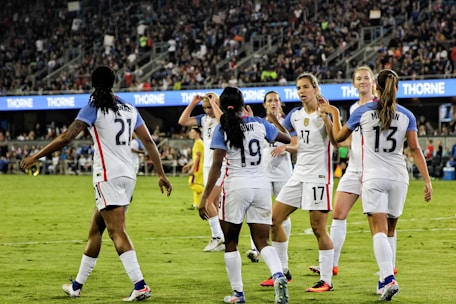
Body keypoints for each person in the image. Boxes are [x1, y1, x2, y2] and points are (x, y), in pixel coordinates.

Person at [20, 65, 173, 302]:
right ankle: (77, 286)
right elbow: (150, 142)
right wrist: (161, 173)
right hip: (128, 177)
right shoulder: (130, 108)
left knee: (116, 232)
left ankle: (140, 284)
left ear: (92, 83)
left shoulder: (94, 106)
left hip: (107, 177)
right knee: (96, 228)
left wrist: (35, 156)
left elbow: (66, 137)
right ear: (114, 82)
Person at [331, 69, 432, 301]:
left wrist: (334, 116)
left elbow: (338, 139)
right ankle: (382, 281)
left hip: (373, 177)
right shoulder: (407, 115)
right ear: (397, 89)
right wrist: (427, 180)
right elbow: (415, 149)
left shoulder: (363, 111)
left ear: (375, 87)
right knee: (391, 230)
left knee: (378, 230)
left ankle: (388, 278)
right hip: (399, 177)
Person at [199, 86, 291, 304]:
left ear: (222, 106)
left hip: (235, 187)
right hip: (261, 186)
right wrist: (272, 120)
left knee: (231, 242)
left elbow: (216, 165)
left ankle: (238, 294)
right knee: (262, 240)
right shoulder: (259, 123)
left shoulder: (222, 128)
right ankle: (278, 275)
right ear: (243, 105)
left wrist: (205, 198)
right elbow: (286, 139)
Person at [263, 72, 337, 293]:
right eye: (298, 88)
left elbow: (335, 141)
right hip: (298, 175)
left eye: (305, 87)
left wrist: (327, 117)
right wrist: (273, 118)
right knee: (274, 220)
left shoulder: (325, 113)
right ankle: (282, 271)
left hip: (319, 176)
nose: (301, 91)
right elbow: (284, 134)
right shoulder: (295, 115)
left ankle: (326, 280)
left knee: (318, 228)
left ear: (315, 88)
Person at [309, 66, 381, 277]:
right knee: (338, 214)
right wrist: (331, 118)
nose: (362, 81)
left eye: (366, 78)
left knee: (379, 223)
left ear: (373, 81)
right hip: (354, 168)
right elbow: (346, 140)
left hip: (374, 170)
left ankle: (387, 270)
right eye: (358, 78)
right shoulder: (354, 107)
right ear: (353, 83)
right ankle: (332, 264)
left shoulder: (379, 106)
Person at [247, 91, 293, 286]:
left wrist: (285, 147)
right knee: (261, 211)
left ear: (280, 103)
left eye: (276, 100)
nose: (273, 103)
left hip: (283, 172)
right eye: (270, 101)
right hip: (264, 171)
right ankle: (257, 249)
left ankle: (282, 252)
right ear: (264, 105)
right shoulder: (258, 123)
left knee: (282, 216)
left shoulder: (289, 121)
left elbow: (296, 143)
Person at [178, 92, 225, 252]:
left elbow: (223, 122)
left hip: (221, 164)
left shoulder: (223, 117)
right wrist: (193, 103)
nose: (207, 110)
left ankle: (217, 236)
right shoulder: (204, 120)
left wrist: (214, 104)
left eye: (209, 106)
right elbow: (182, 121)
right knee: (215, 203)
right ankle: (222, 238)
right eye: (204, 107)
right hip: (208, 165)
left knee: (209, 201)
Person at [182, 127, 204, 209]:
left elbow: (197, 158)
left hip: (197, 168)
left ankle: (207, 193)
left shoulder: (198, 143)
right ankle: (196, 204)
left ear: (197, 133)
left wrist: (192, 169)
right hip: (199, 167)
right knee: (196, 185)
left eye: (192, 132)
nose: (190, 134)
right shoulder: (198, 142)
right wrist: (188, 165)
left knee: (192, 184)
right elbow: (195, 158)